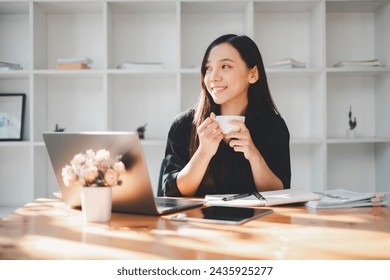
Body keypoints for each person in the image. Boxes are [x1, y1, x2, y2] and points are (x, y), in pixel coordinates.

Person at [160, 34, 291, 197]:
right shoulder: (184, 125)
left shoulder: (273, 127)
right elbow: (172, 194)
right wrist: (203, 153)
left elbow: (280, 195)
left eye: (225, 66)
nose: (213, 77)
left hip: (256, 221)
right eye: (208, 68)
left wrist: (254, 156)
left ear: (253, 74)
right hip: (199, 221)